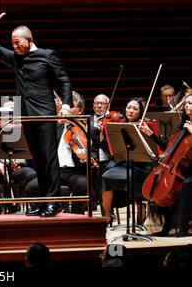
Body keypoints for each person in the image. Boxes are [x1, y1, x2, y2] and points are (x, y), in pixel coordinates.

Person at [0, 2, 72, 217]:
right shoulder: (16, 58)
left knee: (50, 160)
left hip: (45, 115)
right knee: (37, 161)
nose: (14, 47)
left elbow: (64, 81)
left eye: (17, 43)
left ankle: (54, 202)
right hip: (27, 117)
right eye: (12, 44)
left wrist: (67, 104)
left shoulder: (47, 55)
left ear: (29, 40)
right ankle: (44, 202)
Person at [140, 93, 192, 237]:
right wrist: (151, 135)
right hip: (180, 169)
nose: (187, 106)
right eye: (186, 103)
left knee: (187, 184)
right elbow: (169, 147)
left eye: (190, 103)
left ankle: (183, 226)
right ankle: (167, 224)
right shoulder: (183, 126)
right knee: (158, 184)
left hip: (190, 171)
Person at [100, 98, 152, 226]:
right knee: (105, 177)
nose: (130, 111)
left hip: (141, 165)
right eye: (129, 107)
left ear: (140, 113)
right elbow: (112, 151)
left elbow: (151, 150)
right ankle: (107, 215)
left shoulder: (144, 127)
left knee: (131, 178)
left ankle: (141, 210)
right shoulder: (118, 126)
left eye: (135, 109)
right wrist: (102, 136)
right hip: (123, 164)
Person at [56, 91, 88, 214]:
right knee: (32, 187)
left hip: (74, 172)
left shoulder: (86, 128)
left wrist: (84, 157)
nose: (67, 110)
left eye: (71, 106)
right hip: (55, 171)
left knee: (84, 184)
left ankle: (76, 217)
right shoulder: (54, 127)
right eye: (66, 106)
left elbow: (94, 153)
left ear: (80, 111)